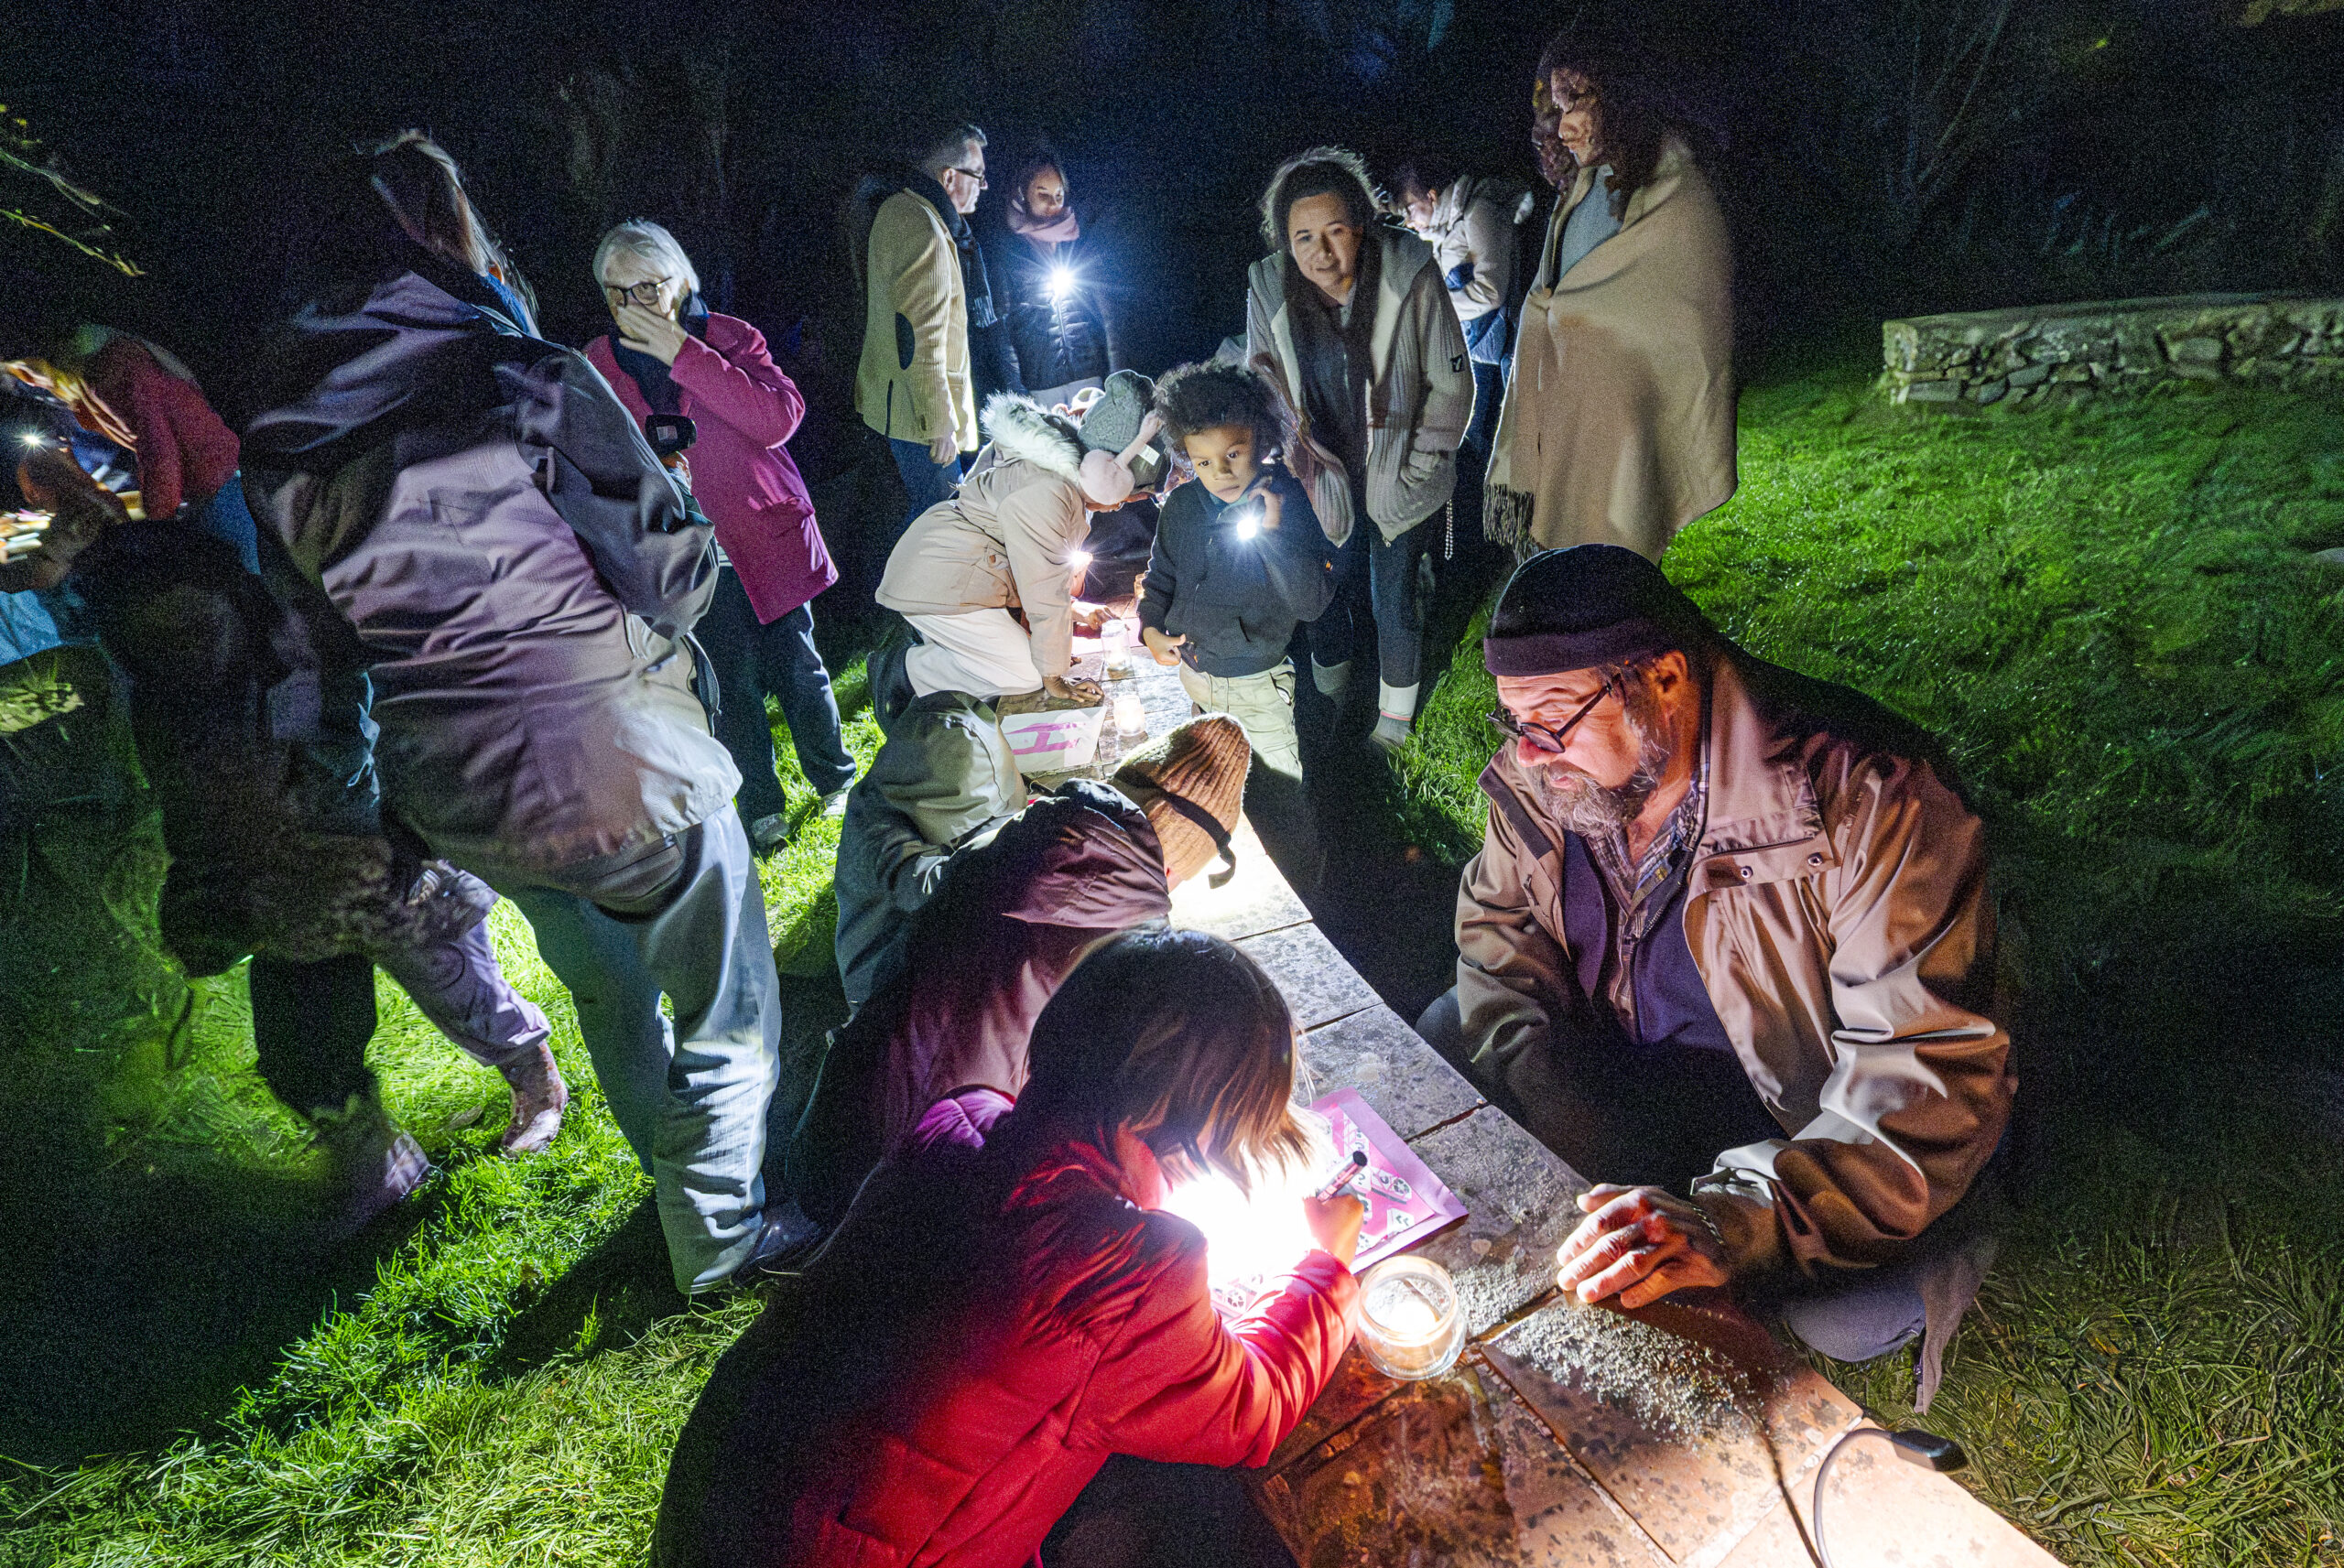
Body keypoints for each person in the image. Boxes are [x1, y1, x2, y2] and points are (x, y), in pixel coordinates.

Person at [241, 132, 784, 1295]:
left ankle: (675, 1195)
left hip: (460, 791)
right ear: (441, 234)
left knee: (605, 995)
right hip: (617, 756)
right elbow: (672, 576)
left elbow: (312, 658)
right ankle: (721, 1243)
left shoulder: (278, 446)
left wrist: (351, 812)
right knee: (725, 1008)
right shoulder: (516, 372)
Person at [1414, 546, 2013, 1403]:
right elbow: (1498, 927)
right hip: (1626, 1063)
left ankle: (1940, 1242)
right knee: (1449, 1032)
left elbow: (1926, 1076)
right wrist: (1547, 1093)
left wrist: (1737, 1221)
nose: (1530, 755)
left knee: (1843, 1318)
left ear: (1663, 677)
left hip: (1794, 1108)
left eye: (1553, 719)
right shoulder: (1550, 765)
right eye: (1514, 722)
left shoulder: (1869, 798)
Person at [651, 925, 1362, 1568]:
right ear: (1182, 1121)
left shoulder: (960, 1119)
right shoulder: (1126, 1270)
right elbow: (1255, 1411)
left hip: (719, 1505)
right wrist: (1325, 1269)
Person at [7, 447, 565, 1216]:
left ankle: (535, 1080)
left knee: (436, 955)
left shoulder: (258, 604)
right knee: (302, 1041)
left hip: (334, 824)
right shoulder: (132, 620)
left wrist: (340, 809)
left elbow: (337, 689)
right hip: (257, 856)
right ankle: (377, 1165)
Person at [785, 715, 1252, 1231]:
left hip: (832, 1138)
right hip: (911, 1204)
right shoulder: (1126, 946)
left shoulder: (1022, 836)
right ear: (1173, 860)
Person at [584, 220, 856, 859]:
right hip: (689, 556)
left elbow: (777, 418)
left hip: (765, 534)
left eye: (647, 287)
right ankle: (762, 809)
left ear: (680, 281)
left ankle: (835, 777)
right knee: (728, 685)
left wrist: (684, 353)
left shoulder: (730, 337)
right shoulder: (598, 362)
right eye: (616, 292)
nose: (633, 306)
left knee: (800, 668)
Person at [1247, 146, 1472, 753]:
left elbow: (1453, 386)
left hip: (1398, 475)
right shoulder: (1268, 289)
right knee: (1327, 592)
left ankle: (1394, 719)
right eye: (1303, 237)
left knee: (1392, 598)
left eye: (1336, 231)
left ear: (1363, 226)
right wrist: (1279, 456)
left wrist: (1419, 467)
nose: (1322, 251)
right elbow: (1262, 380)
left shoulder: (1409, 273)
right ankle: (1330, 694)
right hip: (1323, 479)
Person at [1483, 27, 1736, 561]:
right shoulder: (1583, 186)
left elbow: (1683, 319)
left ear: (1621, 96)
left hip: (1619, 429)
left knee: (1609, 583)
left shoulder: (1674, 187)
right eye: (1556, 109)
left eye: (1577, 104)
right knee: (1559, 586)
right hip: (1565, 414)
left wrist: (1565, 313)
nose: (1564, 128)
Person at [1141, 360, 1333, 881]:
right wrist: (1150, 626)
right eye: (1202, 462)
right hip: (1196, 674)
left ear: (1260, 437)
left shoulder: (1286, 502)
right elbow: (1160, 575)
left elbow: (1312, 601)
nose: (1220, 473)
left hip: (1260, 685)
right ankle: (1235, 867)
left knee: (1281, 792)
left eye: (1233, 454)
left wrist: (1271, 535)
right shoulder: (1180, 505)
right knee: (1209, 781)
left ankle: (1305, 885)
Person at [876, 371, 1165, 706]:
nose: (1117, 507)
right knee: (1025, 676)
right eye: (1128, 496)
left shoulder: (1059, 476)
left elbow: (1030, 572)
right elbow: (1042, 590)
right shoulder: (1051, 492)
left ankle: (945, 654)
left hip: (957, 577)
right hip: (940, 583)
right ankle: (907, 668)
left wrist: (1072, 613)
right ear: (1109, 474)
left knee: (1027, 663)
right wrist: (1053, 674)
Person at [830, 687, 1024, 1013]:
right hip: (886, 990)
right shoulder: (876, 828)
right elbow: (925, 887)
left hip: (929, 951)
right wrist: (1021, 843)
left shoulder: (902, 787)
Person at [1390, 152, 1533, 576]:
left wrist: (1435, 306)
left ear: (1432, 197)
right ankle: (1485, 542)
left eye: (1410, 210)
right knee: (1472, 443)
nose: (1410, 220)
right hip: (1474, 349)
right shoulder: (1443, 228)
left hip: (1499, 347)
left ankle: (1512, 540)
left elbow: (1491, 290)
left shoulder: (1480, 211)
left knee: (1497, 440)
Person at [852, 119, 993, 542]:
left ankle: (891, 599)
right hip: (920, 416)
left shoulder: (903, 210)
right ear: (950, 176)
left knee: (929, 518)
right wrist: (940, 424)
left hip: (899, 404)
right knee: (943, 523)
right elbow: (917, 336)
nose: (983, 188)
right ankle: (903, 602)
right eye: (979, 176)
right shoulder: (925, 226)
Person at [993, 144, 1124, 412]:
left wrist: (1116, 377)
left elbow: (1108, 318)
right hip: (1040, 385)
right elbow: (1002, 334)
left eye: (1059, 195)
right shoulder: (1008, 252)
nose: (1054, 205)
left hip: (1090, 377)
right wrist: (1018, 395)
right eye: (1043, 195)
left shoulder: (1079, 240)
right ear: (1022, 195)